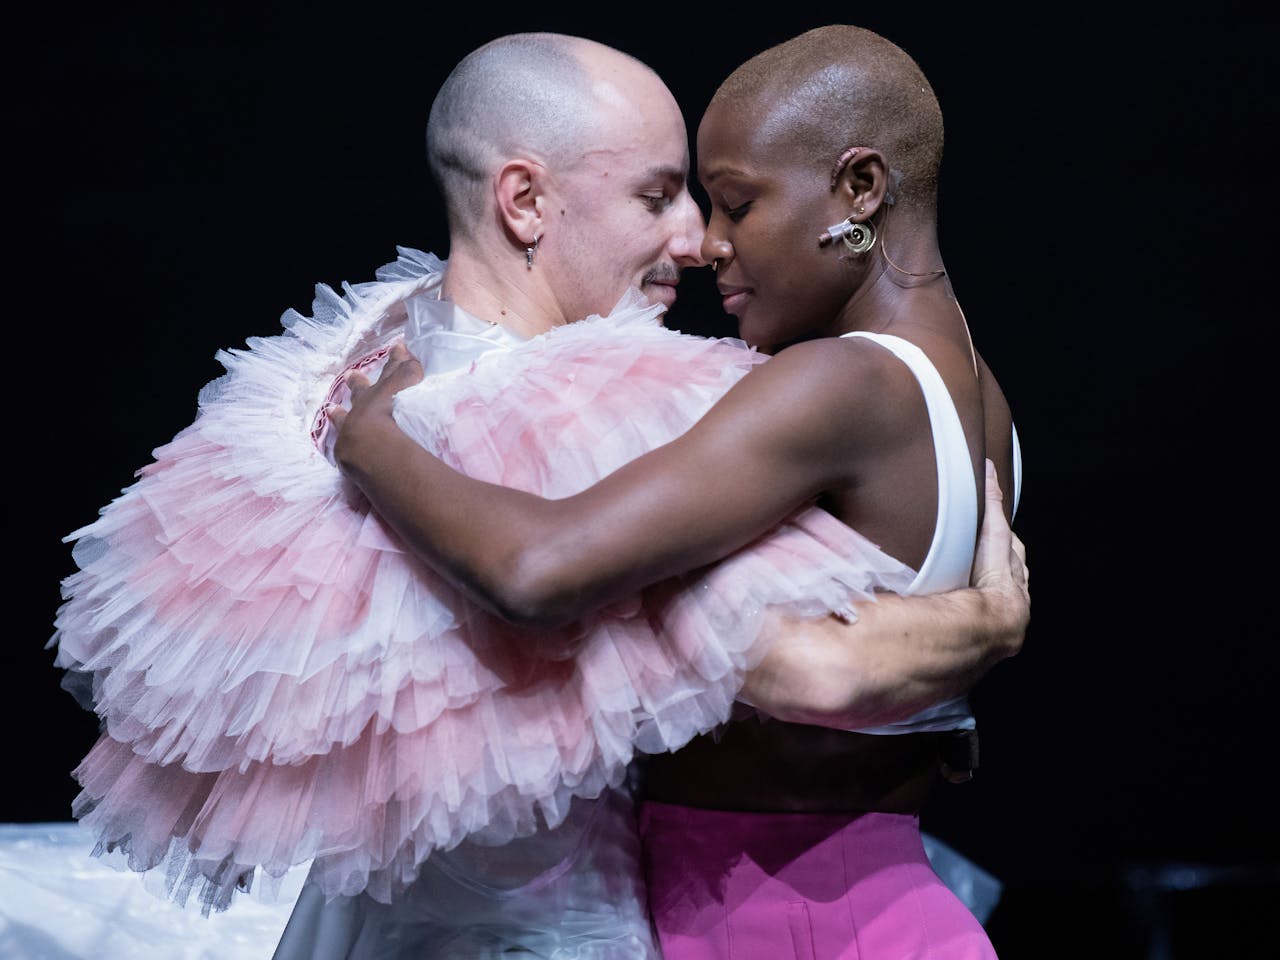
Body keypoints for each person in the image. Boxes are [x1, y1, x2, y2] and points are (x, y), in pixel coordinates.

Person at [48, 31, 1026, 960]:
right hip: (616, 917)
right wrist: (979, 631)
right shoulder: (603, 413)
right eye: (661, 197)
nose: (696, 241)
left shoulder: (347, 367)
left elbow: (764, 657)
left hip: (425, 921)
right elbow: (792, 664)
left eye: (726, 203)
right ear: (524, 200)